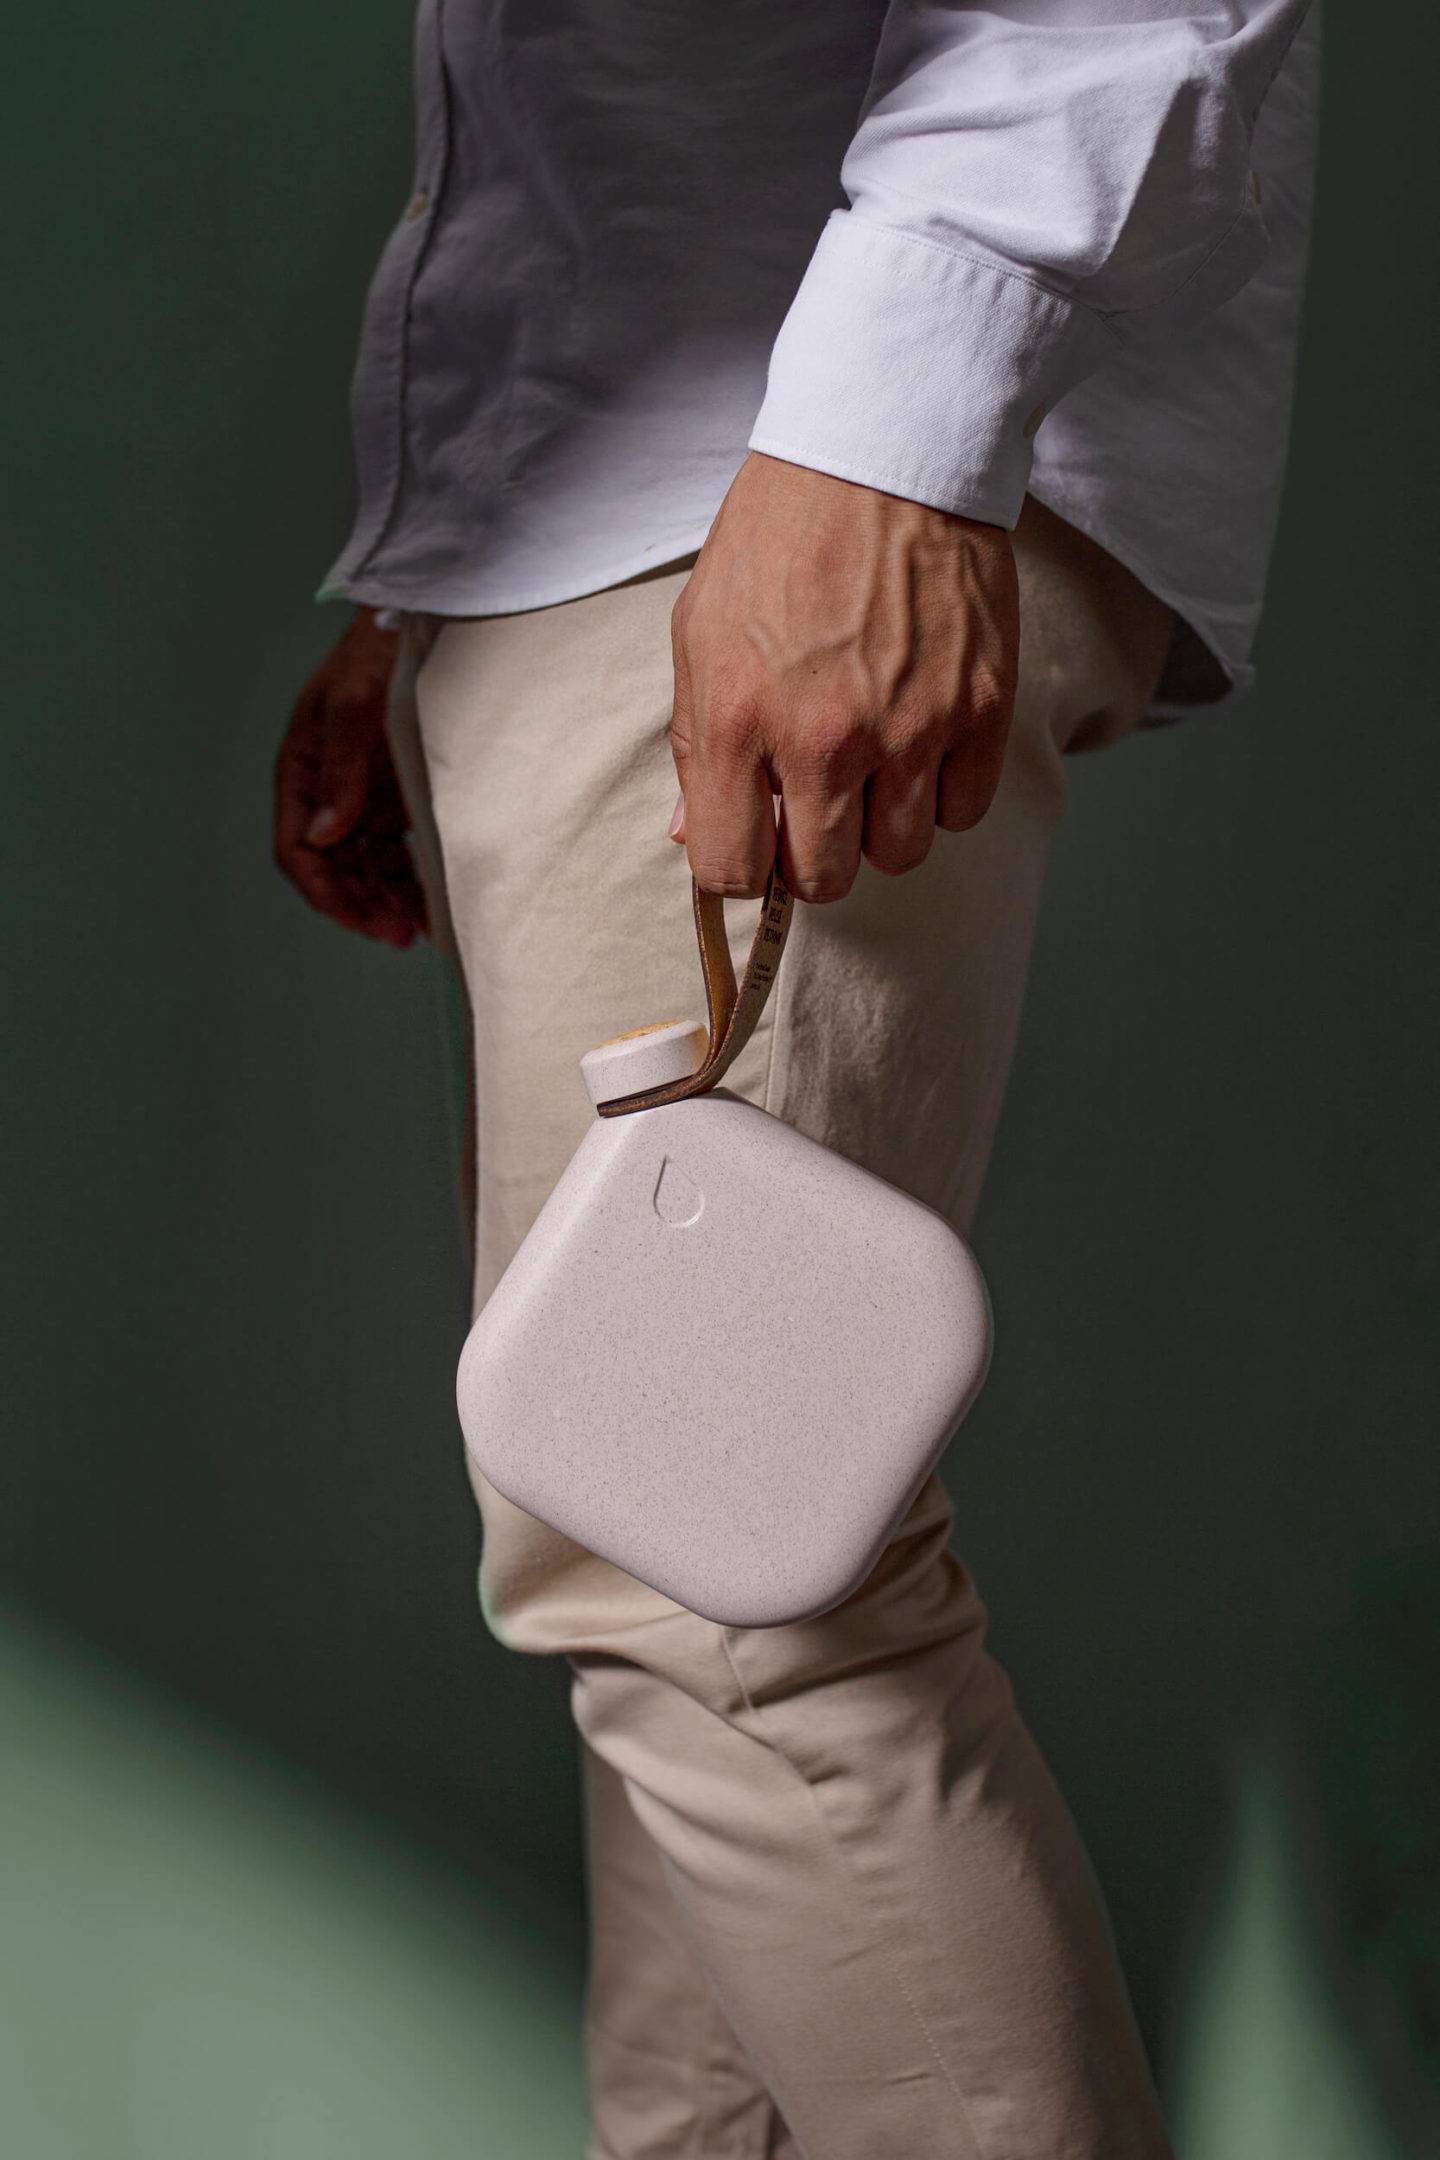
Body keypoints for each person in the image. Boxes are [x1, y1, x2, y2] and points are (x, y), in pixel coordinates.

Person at [273, 6, 1321, 2153]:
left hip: (797, 459)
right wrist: (436, 569)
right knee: (694, 1641)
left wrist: (891, 427)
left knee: (712, 1575)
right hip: (610, 498)